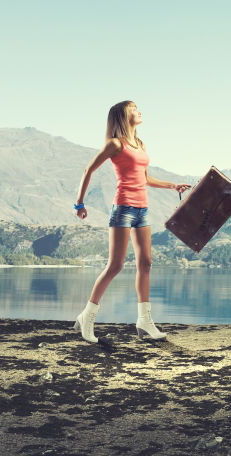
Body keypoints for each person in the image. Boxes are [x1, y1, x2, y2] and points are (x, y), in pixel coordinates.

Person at [71, 100, 191, 343]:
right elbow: (88, 170)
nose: (139, 111)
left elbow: (145, 177)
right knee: (115, 265)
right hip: (123, 209)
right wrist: (79, 204)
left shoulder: (140, 144)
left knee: (145, 263)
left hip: (142, 210)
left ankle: (145, 322)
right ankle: (88, 317)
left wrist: (172, 185)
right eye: (134, 108)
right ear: (123, 116)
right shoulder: (115, 144)